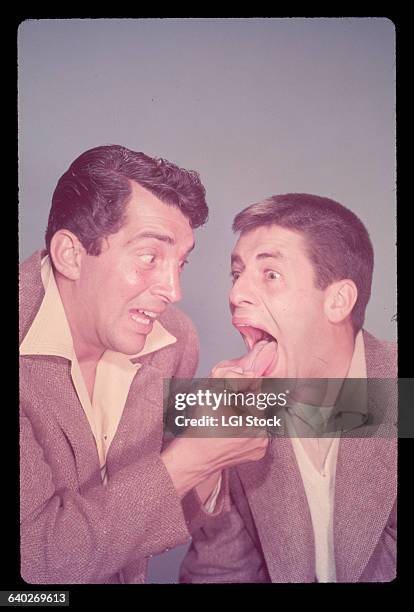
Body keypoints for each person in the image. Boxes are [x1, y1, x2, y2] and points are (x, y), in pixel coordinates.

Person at [19, 144, 267, 584]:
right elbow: (33, 563)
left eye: (181, 263)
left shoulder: (173, 339)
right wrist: (192, 459)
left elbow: (151, 512)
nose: (173, 290)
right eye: (150, 258)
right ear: (70, 254)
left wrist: (209, 447)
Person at [180, 193, 397, 583]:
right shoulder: (236, 411)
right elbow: (219, 570)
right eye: (236, 274)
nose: (234, 296)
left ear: (339, 300)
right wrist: (206, 469)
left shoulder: (399, 389)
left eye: (270, 275)